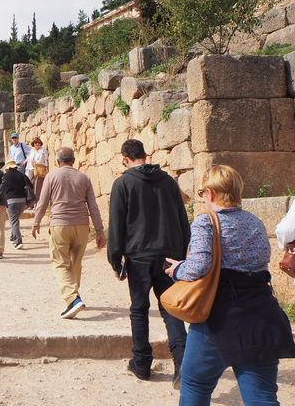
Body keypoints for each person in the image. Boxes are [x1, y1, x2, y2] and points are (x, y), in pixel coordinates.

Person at [165, 165, 295, 405]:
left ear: (211, 193)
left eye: (202, 193)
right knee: (262, 397)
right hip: (262, 314)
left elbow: (200, 266)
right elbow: (260, 260)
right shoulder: (255, 222)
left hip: (220, 316)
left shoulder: (206, 222)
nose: (202, 198)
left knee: (195, 384)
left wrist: (177, 269)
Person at [107, 139, 190, 387]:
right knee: (170, 309)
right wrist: (184, 256)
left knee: (139, 309)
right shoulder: (167, 182)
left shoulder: (122, 183)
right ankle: (182, 360)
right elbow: (182, 219)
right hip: (169, 255)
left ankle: (142, 363)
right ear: (146, 155)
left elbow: (116, 224)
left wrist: (115, 260)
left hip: (138, 256)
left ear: (125, 159)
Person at [32, 146, 105, 319]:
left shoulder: (51, 176)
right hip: (81, 225)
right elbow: (93, 206)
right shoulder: (84, 178)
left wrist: (36, 223)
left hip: (60, 225)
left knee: (60, 263)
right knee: (75, 263)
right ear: (74, 160)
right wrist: (100, 231)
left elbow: (42, 202)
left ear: (57, 162)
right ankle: (74, 297)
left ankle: (72, 299)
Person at [3, 159, 32, 249]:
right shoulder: (22, 175)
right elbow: (31, 186)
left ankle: (18, 241)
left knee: (13, 221)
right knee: (15, 220)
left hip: (10, 201)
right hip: (22, 201)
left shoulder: (5, 176)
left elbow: (1, 189)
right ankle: (12, 237)